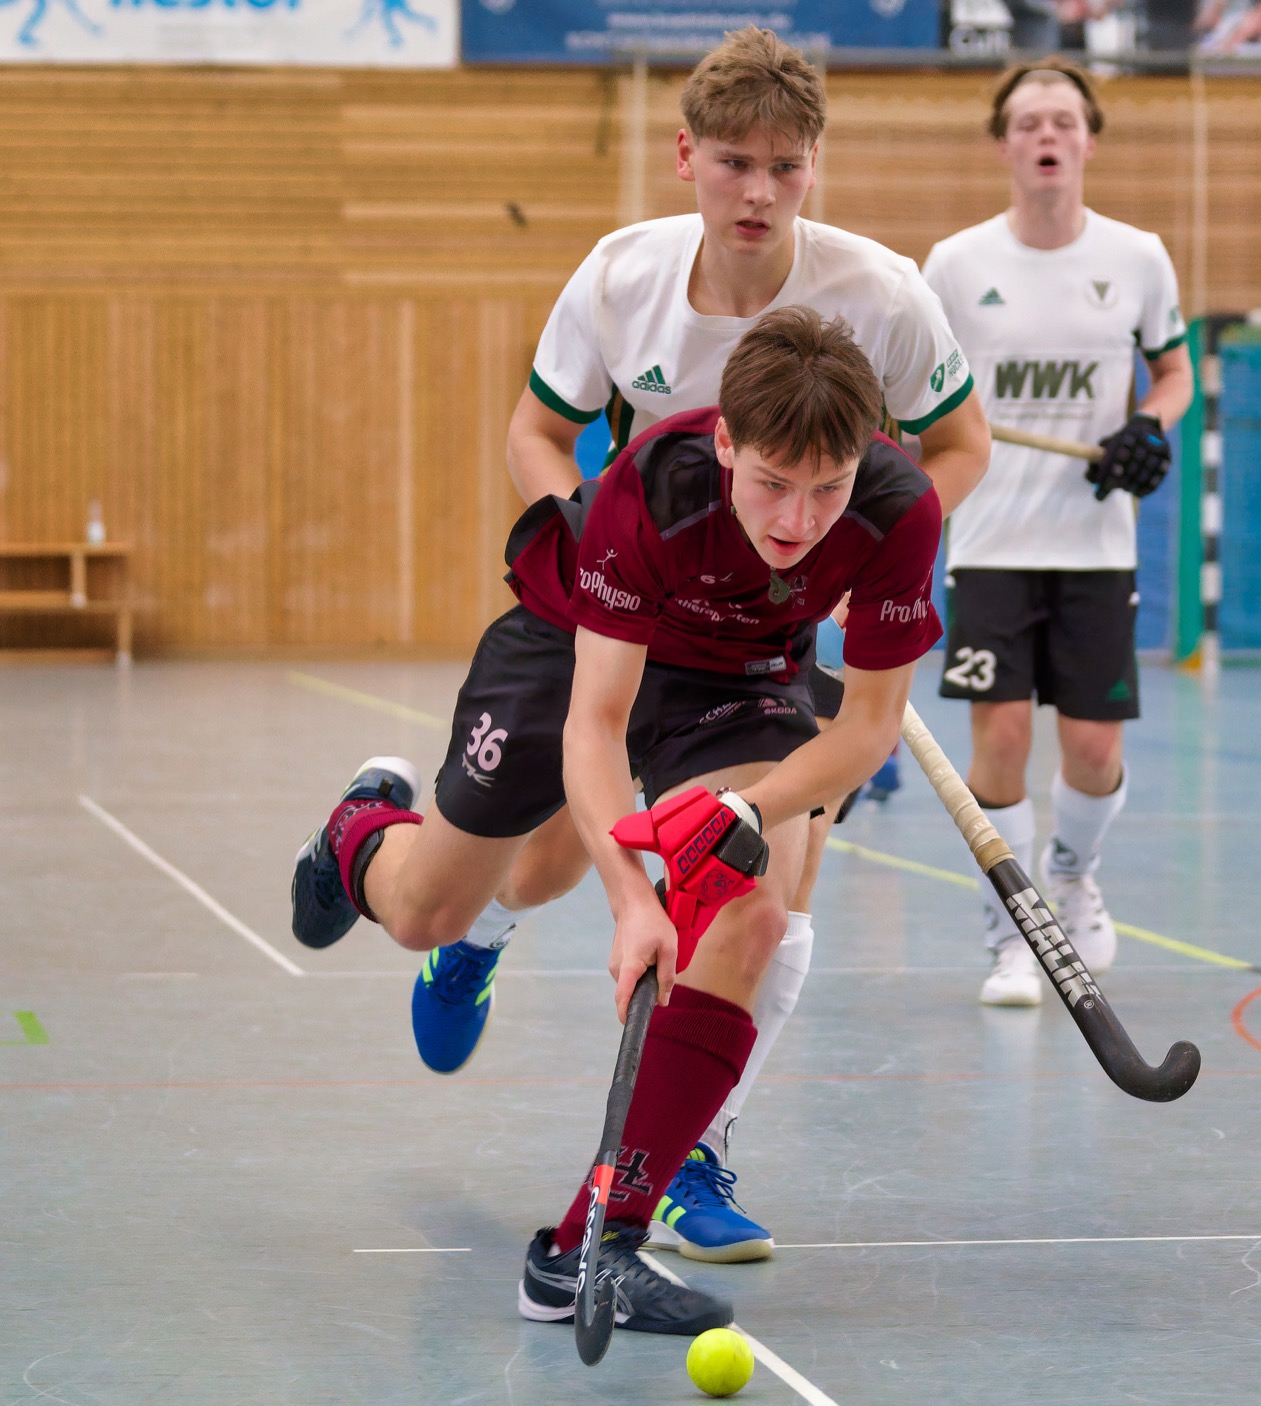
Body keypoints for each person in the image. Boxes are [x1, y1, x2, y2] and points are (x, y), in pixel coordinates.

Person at [393, 25, 989, 1263]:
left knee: (769, 876)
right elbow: (535, 435)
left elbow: (959, 447)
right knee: (535, 866)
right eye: (734, 163)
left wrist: (848, 564)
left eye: (786, 165)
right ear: (686, 158)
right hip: (619, 591)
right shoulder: (623, 276)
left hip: (759, 629)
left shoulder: (881, 294)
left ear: (815, 166)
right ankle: (467, 923)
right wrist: (601, 545)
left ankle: (685, 1155)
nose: (759, 191)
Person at [294, 308, 944, 1334]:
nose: (798, 518)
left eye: (828, 487)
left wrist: (743, 808)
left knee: (751, 915)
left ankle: (586, 1249)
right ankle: (360, 833)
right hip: (576, 643)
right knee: (437, 909)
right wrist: (634, 899)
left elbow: (866, 729)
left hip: (736, 676)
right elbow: (596, 725)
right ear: (725, 442)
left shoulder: (900, 508)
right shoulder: (654, 486)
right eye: (773, 481)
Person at [919, 57, 1193, 1007]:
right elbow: (917, 393)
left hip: (1095, 548)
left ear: (1088, 142)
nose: (1048, 135)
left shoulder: (1138, 258)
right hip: (991, 541)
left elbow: (1173, 374)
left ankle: (1073, 879)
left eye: (1065, 121)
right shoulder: (956, 265)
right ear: (1004, 144)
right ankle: (1015, 938)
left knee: (1092, 749)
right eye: (1030, 121)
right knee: (998, 739)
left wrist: (1149, 425)